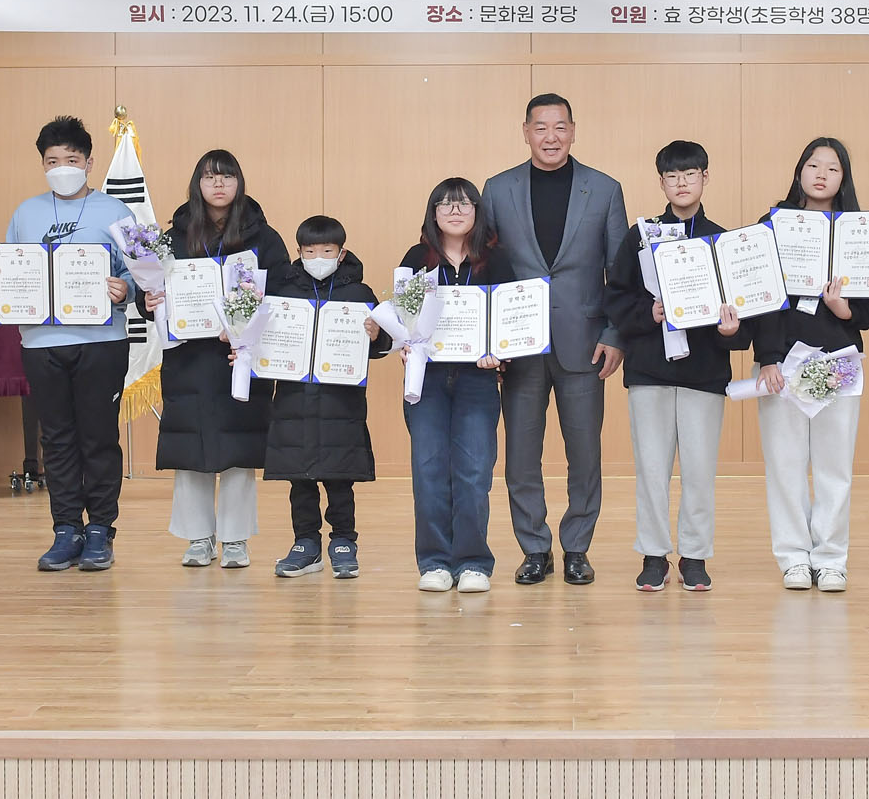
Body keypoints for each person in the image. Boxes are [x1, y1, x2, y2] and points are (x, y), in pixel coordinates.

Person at [481, 93, 627, 587]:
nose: (550, 137)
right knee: (521, 456)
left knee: (584, 453)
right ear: (525, 132)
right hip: (518, 346)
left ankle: (577, 548)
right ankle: (534, 548)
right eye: (540, 127)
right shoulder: (497, 189)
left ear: (573, 131)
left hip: (584, 343)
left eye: (560, 127)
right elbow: (486, 269)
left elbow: (620, 273)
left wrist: (614, 334)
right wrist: (490, 339)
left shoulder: (604, 189)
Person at [0, 116, 135, 572]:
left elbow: (140, 275)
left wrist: (124, 289)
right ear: (42, 165)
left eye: (71, 159)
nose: (62, 168)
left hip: (102, 341)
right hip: (41, 343)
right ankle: (66, 529)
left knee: (99, 437)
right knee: (57, 439)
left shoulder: (116, 212)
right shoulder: (26, 213)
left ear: (89, 162)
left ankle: (100, 530)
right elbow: (12, 271)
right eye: (52, 161)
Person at [604, 141, 751, 592]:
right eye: (672, 176)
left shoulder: (723, 241)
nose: (681, 183)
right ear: (661, 182)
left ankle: (694, 555)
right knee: (651, 469)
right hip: (649, 370)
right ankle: (653, 555)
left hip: (704, 373)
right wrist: (648, 313)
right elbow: (617, 297)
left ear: (706, 178)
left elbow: (742, 318)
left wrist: (731, 330)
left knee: (699, 471)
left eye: (690, 174)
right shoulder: (641, 236)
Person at [141, 149, 289, 570]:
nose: (218, 184)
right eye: (209, 177)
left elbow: (281, 293)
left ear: (239, 183)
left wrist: (244, 324)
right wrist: (146, 300)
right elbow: (149, 290)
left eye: (227, 176)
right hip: (188, 360)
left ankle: (235, 539)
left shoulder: (264, 237)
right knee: (191, 449)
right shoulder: (173, 236)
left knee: (239, 450)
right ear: (198, 184)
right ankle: (198, 538)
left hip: (238, 359)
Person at [752, 137, 869, 593]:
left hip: (837, 362)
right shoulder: (772, 225)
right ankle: (793, 557)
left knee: (834, 467)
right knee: (785, 466)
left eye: (832, 167)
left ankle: (831, 559)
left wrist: (845, 309)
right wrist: (767, 357)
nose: (821, 174)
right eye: (813, 165)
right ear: (800, 171)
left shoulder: (861, 231)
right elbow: (759, 300)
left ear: (844, 178)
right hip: (782, 364)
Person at [399, 178, 516, 594]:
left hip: (477, 379)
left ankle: (472, 563)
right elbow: (403, 316)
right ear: (433, 213)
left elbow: (510, 318)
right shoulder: (416, 259)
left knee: (473, 472)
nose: (454, 211)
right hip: (427, 380)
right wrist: (404, 342)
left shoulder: (495, 261)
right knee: (428, 470)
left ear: (477, 213)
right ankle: (434, 562)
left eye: (464, 204)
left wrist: (499, 353)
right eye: (445, 204)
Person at [264, 215, 392, 580]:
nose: (317, 258)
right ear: (299, 252)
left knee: (340, 477)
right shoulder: (284, 293)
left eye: (326, 251)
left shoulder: (360, 294)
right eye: (309, 251)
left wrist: (376, 335)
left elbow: (381, 346)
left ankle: (344, 540)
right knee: (299, 478)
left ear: (341, 253)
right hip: (293, 402)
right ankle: (305, 543)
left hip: (341, 404)